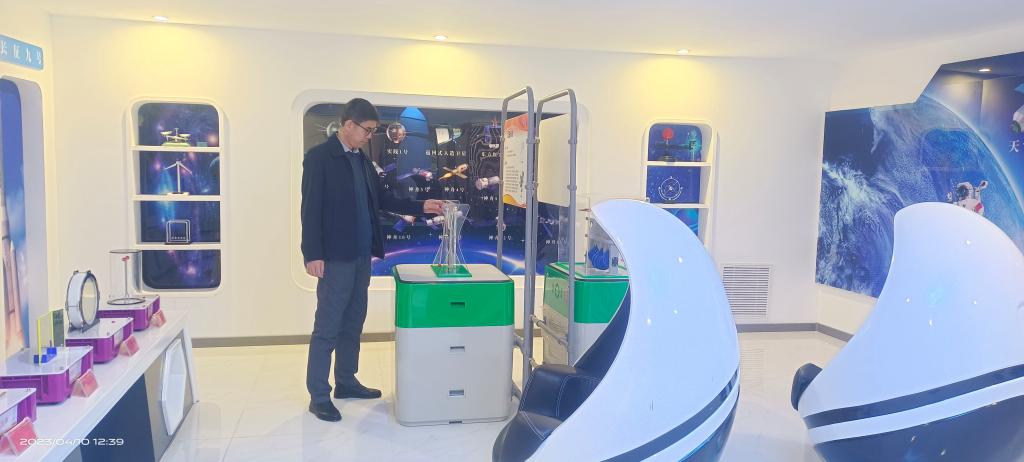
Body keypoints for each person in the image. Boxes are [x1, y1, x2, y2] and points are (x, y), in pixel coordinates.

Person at [301, 98, 443, 422]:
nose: (369, 136)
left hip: (361, 255)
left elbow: (384, 200)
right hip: (335, 258)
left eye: (373, 131)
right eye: (367, 130)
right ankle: (318, 395)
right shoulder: (320, 158)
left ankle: (346, 381)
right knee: (328, 326)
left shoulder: (362, 161)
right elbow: (310, 209)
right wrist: (312, 254)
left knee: (353, 321)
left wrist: (422, 206)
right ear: (348, 125)